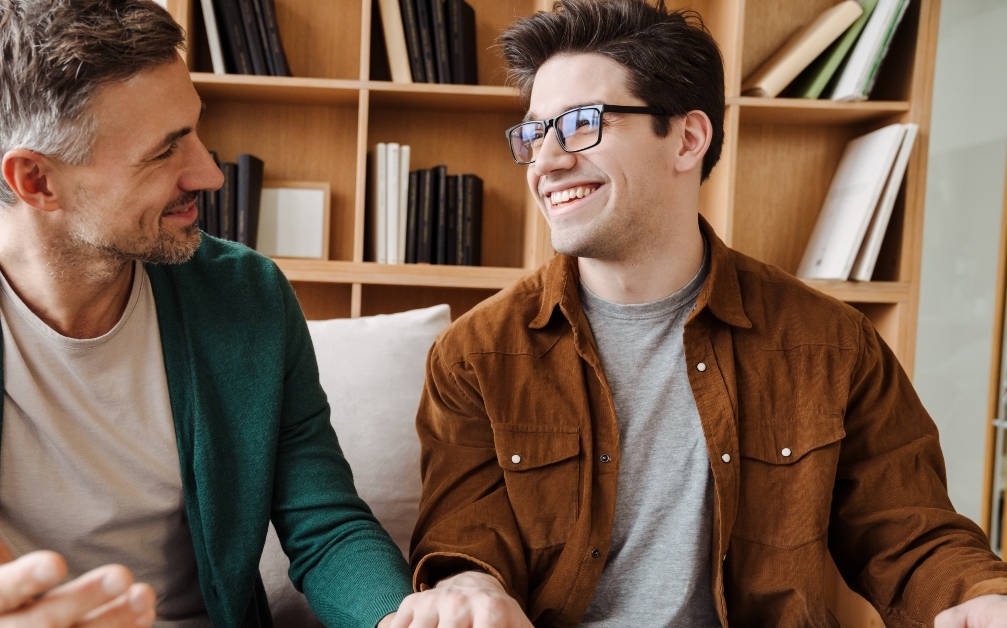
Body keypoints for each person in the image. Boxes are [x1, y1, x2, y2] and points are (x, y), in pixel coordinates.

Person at [384, 1, 1007, 627]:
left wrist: (980, 598)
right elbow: (465, 538)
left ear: (687, 139)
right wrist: (469, 587)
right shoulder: (476, 353)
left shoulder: (833, 346)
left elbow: (909, 534)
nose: (545, 161)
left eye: (577, 125)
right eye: (532, 133)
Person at [0, 1, 412, 627]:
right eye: (163, 152)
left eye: (195, 130)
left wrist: (399, 617)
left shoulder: (248, 297)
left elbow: (327, 525)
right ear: (36, 180)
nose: (209, 172)